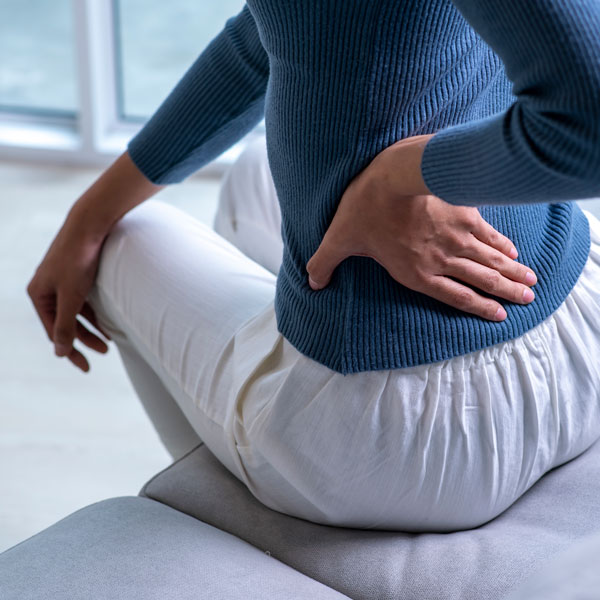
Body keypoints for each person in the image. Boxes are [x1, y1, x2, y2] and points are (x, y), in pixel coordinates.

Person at [26, 0, 600, 532]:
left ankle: (240, 509)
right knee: (253, 175)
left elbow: (590, 126)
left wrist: (398, 178)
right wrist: (86, 213)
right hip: (577, 319)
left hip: (413, 438)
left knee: (126, 237)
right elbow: (268, 35)